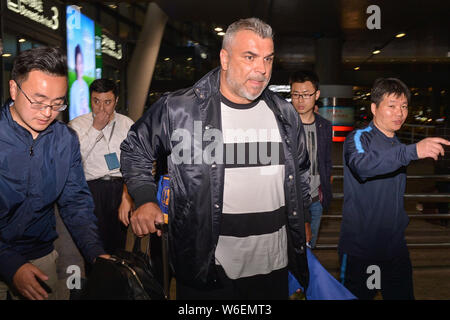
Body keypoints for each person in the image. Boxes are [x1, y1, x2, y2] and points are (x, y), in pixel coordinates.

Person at [120, 17, 311, 300]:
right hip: (208, 271)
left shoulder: (285, 115)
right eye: (250, 57)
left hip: (272, 268)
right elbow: (136, 149)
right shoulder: (180, 109)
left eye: (268, 59)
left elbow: (302, 170)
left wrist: (303, 216)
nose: (262, 69)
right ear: (224, 58)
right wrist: (144, 197)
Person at [0, 47, 108, 300]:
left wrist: (95, 252)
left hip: (42, 259)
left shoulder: (65, 140)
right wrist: (10, 263)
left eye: (57, 103)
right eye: (38, 101)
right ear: (14, 89)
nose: (47, 112)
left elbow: (75, 202)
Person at [338, 77, 450, 300]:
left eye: (404, 106)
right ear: (374, 108)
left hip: (395, 247)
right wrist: (412, 152)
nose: (399, 113)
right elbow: (363, 166)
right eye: (391, 106)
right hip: (363, 249)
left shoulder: (397, 144)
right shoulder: (359, 138)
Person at [69, 79, 134, 258]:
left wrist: (127, 197)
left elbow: (134, 163)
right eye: (96, 101)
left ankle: (116, 283)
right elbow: (73, 161)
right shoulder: (77, 125)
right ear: (90, 100)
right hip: (91, 190)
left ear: (116, 101)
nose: (102, 108)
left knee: (118, 248)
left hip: (121, 189)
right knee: (92, 244)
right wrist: (96, 128)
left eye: (108, 102)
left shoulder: (127, 124)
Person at [290, 70, 333, 248]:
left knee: (309, 251)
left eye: (306, 95)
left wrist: (327, 182)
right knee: (288, 254)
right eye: (296, 95)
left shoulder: (324, 126)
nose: (300, 100)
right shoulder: (284, 126)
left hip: (316, 201)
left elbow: (326, 160)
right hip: (290, 202)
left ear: (317, 95)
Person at [69, 44, 90, 120]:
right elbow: (72, 113)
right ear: (76, 66)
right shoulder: (74, 87)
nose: (81, 66)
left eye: (82, 63)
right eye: (79, 63)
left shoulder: (85, 86)